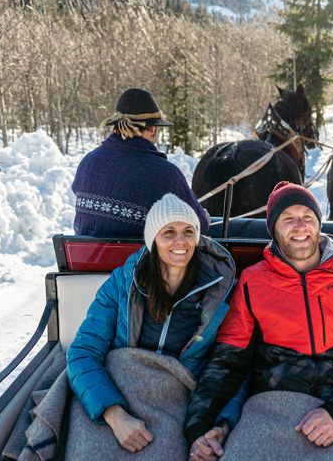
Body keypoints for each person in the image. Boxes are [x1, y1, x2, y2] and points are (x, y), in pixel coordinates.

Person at [183, 182, 333, 460]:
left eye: (307, 217)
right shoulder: (253, 281)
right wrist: (198, 427)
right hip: (276, 402)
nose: (300, 226)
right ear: (273, 229)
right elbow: (227, 362)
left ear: (319, 225)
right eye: (288, 219)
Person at [67, 194, 238, 452]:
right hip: (116, 389)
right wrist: (114, 414)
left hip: (176, 396)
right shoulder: (123, 282)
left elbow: (233, 365)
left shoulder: (219, 290)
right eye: (168, 232)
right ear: (153, 240)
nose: (180, 241)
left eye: (188, 231)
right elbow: (83, 351)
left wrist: (220, 424)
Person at [72, 87, 209, 238]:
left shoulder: (88, 161)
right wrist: (204, 216)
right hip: (139, 260)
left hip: (84, 259)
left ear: (117, 126)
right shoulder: (165, 173)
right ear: (151, 129)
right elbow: (198, 224)